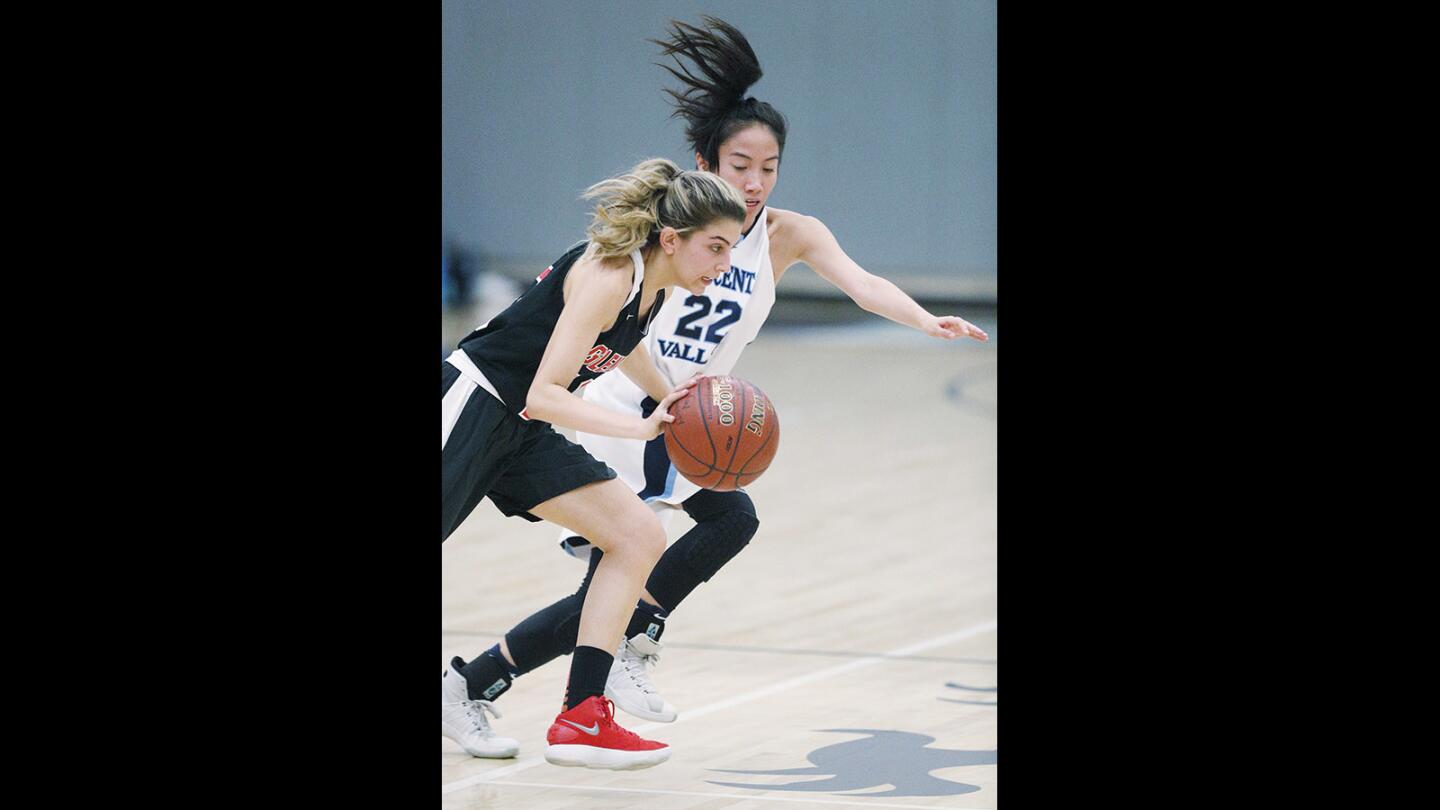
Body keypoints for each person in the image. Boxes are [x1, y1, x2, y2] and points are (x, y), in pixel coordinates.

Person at [446, 15, 989, 748]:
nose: (756, 182)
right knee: (637, 559)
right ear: (705, 164)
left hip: (668, 411)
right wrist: (648, 409)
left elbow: (859, 284)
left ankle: (563, 686)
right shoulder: (654, 249)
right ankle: (578, 664)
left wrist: (924, 320)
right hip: (587, 405)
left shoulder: (764, 240)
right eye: (741, 166)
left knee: (670, 539)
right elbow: (573, 358)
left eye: (769, 168)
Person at [441, 157, 746, 770]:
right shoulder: (610, 272)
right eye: (715, 247)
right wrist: (639, 424)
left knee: (637, 535)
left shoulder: (654, 286)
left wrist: (668, 395)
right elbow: (543, 391)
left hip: (520, 433)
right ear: (671, 239)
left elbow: (622, 346)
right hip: (475, 405)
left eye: (731, 249)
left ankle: (582, 716)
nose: (724, 264)